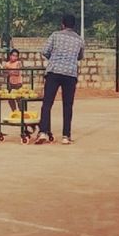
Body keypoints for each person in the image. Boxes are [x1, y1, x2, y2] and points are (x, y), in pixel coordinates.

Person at [35, 14, 84, 145]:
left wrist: (54, 57)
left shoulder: (55, 35)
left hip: (54, 71)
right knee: (68, 105)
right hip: (70, 74)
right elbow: (80, 56)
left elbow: (45, 51)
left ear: (62, 24)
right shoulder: (79, 39)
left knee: (47, 103)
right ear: (74, 25)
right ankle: (66, 136)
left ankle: (43, 132)